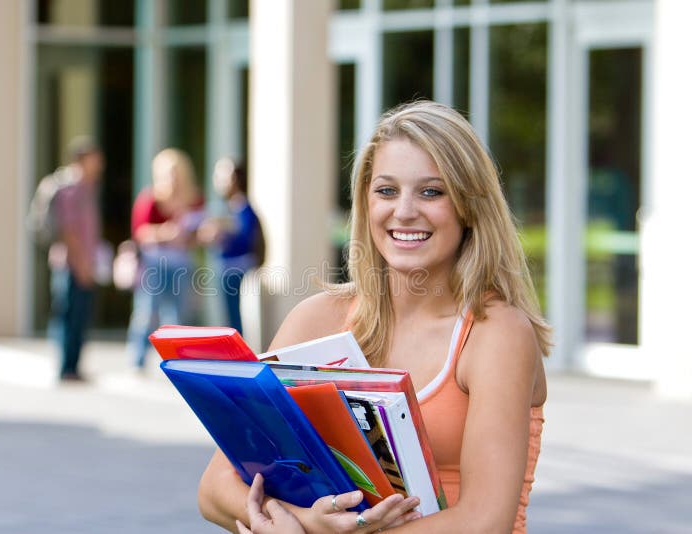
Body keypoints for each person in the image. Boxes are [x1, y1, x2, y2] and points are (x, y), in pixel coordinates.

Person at [198, 100, 550, 533]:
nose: (404, 211)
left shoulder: (497, 333)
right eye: (387, 190)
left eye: (431, 191)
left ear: (469, 206)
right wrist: (306, 523)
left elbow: (484, 522)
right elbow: (215, 487)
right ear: (365, 203)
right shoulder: (316, 320)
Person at [126, 148, 204, 369]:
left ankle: (179, 362)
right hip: (155, 263)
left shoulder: (195, 199)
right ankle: (137, 358)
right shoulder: (150, 198)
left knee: (180, 314)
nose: (174, 178)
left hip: (182, 263)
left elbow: (197, 234)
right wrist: (166, 232)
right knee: (147, 312)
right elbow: (139, 232)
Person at [48, 137, 105, 382]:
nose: (100, 164)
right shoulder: (70, 189)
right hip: (71, 265)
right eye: (95, 158)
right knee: (69, 316)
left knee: (80, 317)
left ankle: (73, 366)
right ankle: (66, 367)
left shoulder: (87, 188)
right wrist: (81, 264)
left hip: (83, 263)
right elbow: (69, 231)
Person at [197, 157, 263, 333]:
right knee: (228, 313)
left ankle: (236, 351)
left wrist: (221, 235)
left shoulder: (242, 208)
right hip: (227, 266)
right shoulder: (231, 208)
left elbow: (246, 239)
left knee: (232, 314)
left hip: (236, 267)